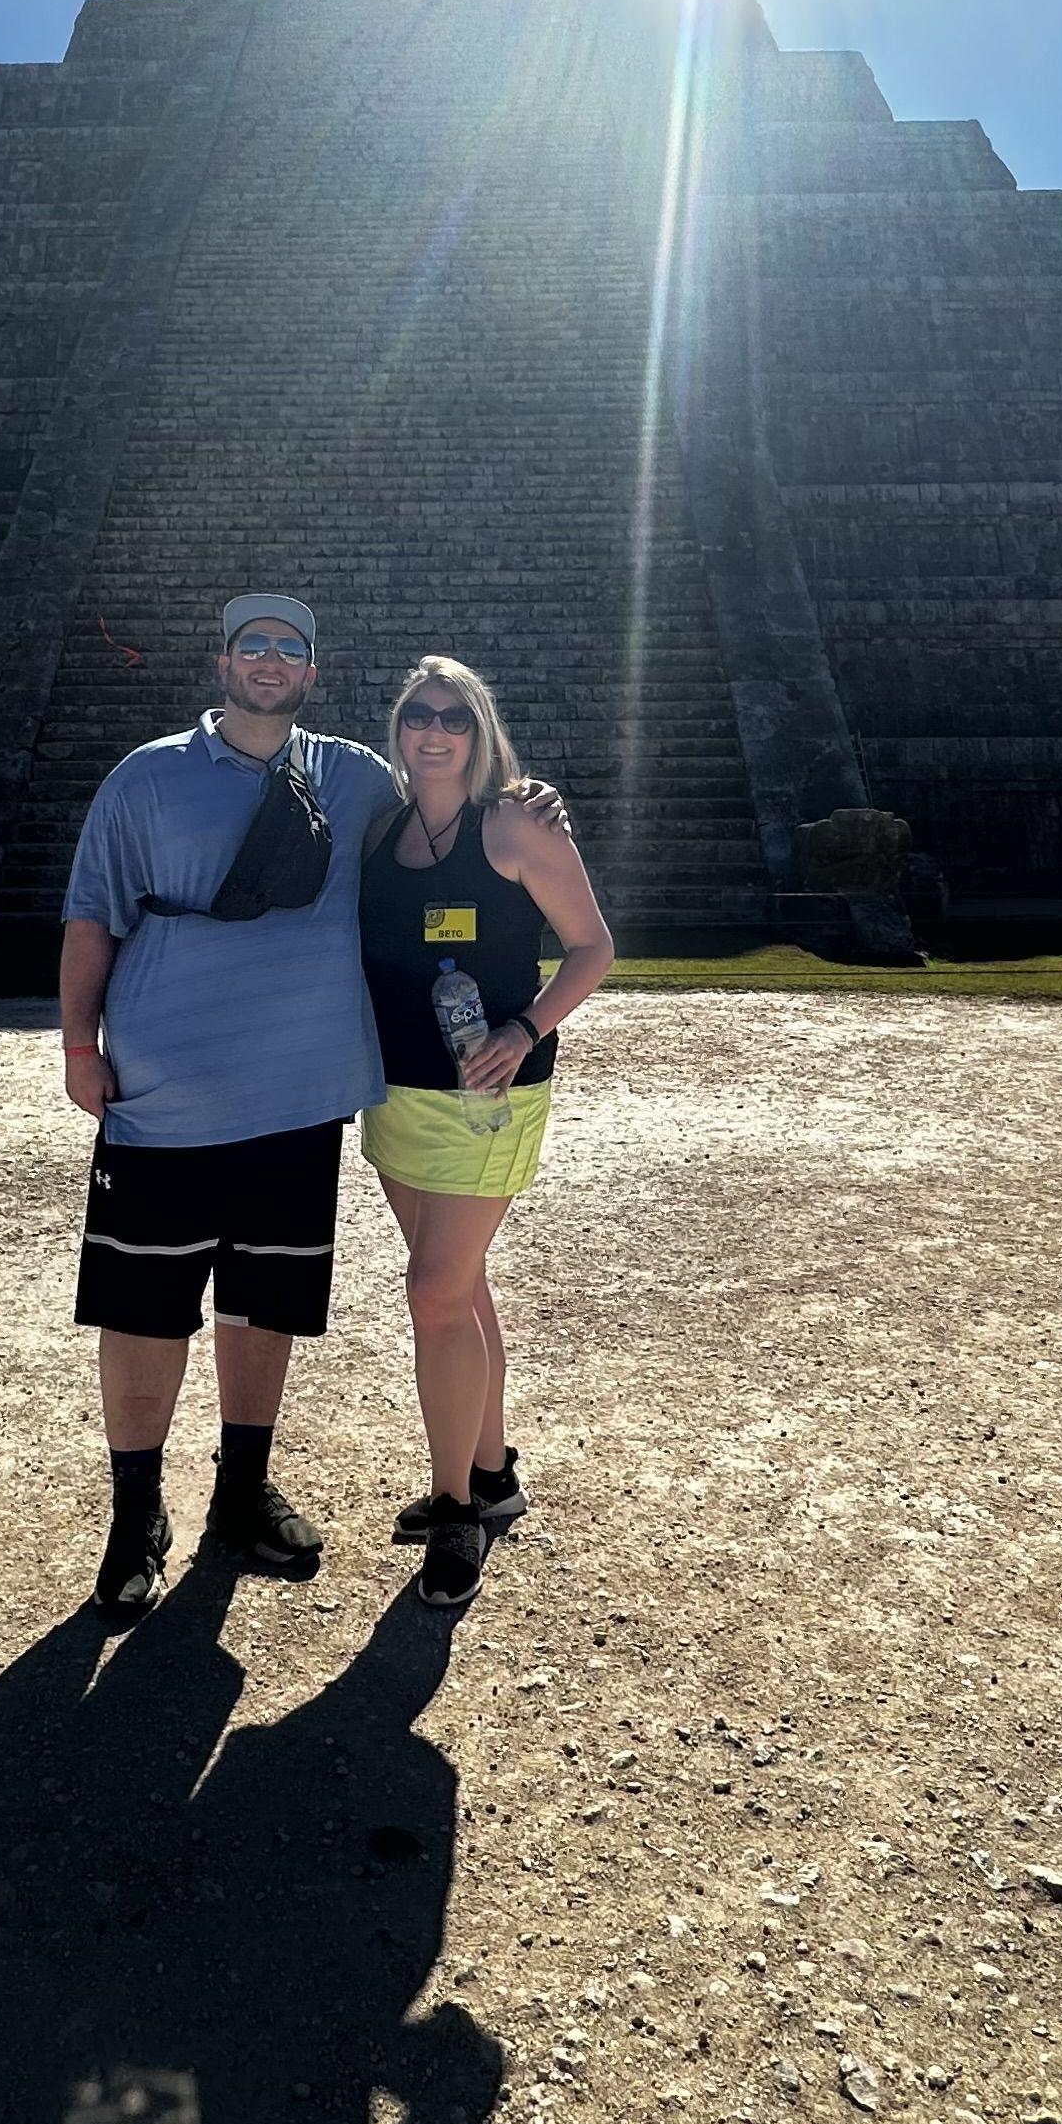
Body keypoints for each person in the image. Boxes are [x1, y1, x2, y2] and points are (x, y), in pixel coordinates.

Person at [55, 593, 558, 1628]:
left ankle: (240, 1496)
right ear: (223, 659)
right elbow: (90, 913)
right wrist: (77, 1044)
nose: (272, 661)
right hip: (164, 1096)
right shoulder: (145, 775)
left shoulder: (356, 778)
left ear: (313, 671)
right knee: (143, 1308)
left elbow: (454, 800)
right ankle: (135, 1515)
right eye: (254, 645)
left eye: (291, 648)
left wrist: (526, 798)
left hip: (297, 1103)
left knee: (260, 1304)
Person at [358, 656, 616, 1609]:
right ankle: (494, 1472)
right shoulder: (382, 826)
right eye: (419, 715)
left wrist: (524, 1027)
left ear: (479, 728)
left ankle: (454, 1504)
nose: (434, 731)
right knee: (459, 1288)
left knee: (431, 1291)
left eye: (453, 716)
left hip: (488, 1094)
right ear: (399, 728)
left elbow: (594, 947)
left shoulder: (514, 821)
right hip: (396, 1092)